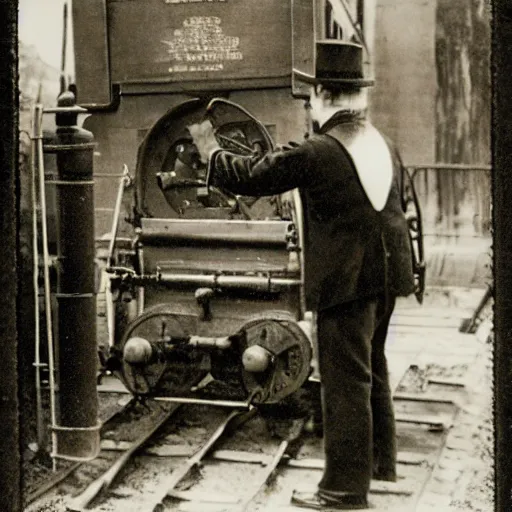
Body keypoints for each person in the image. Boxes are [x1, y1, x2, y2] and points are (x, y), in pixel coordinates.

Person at [191, 40, 416, 510]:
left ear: (325, 98)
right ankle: (381, 466)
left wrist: (210, 150)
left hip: (347, 282)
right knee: (372, 367)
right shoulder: (383, 142)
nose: (310, 106)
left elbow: (254, 174)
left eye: (311, 97)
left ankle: (343, 492)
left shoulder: (318, 150)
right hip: (388, 275)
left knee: (345, 382)